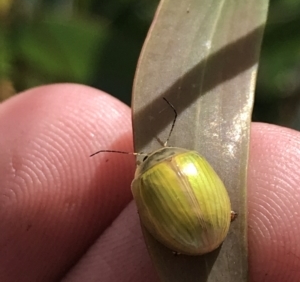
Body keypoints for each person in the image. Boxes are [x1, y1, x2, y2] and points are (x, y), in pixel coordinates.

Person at [0, 83, 299, 282]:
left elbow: (149, 218)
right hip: (217, 223)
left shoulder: (142, 185)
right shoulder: (192, 158)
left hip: (191, 239)